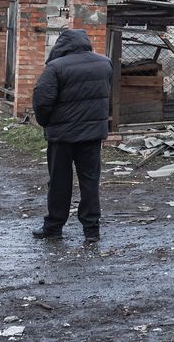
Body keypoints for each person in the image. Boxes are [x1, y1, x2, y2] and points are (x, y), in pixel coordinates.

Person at [31, 29, 113, 243]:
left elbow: (42, 101)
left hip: (62, 137)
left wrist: (45, 122)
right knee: (90, 182)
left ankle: (54, 227)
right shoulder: (104, 63)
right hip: (92, 136)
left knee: (59, 182)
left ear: (62, 45)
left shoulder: (55, 67)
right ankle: (92, 230)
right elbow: (105, 95)